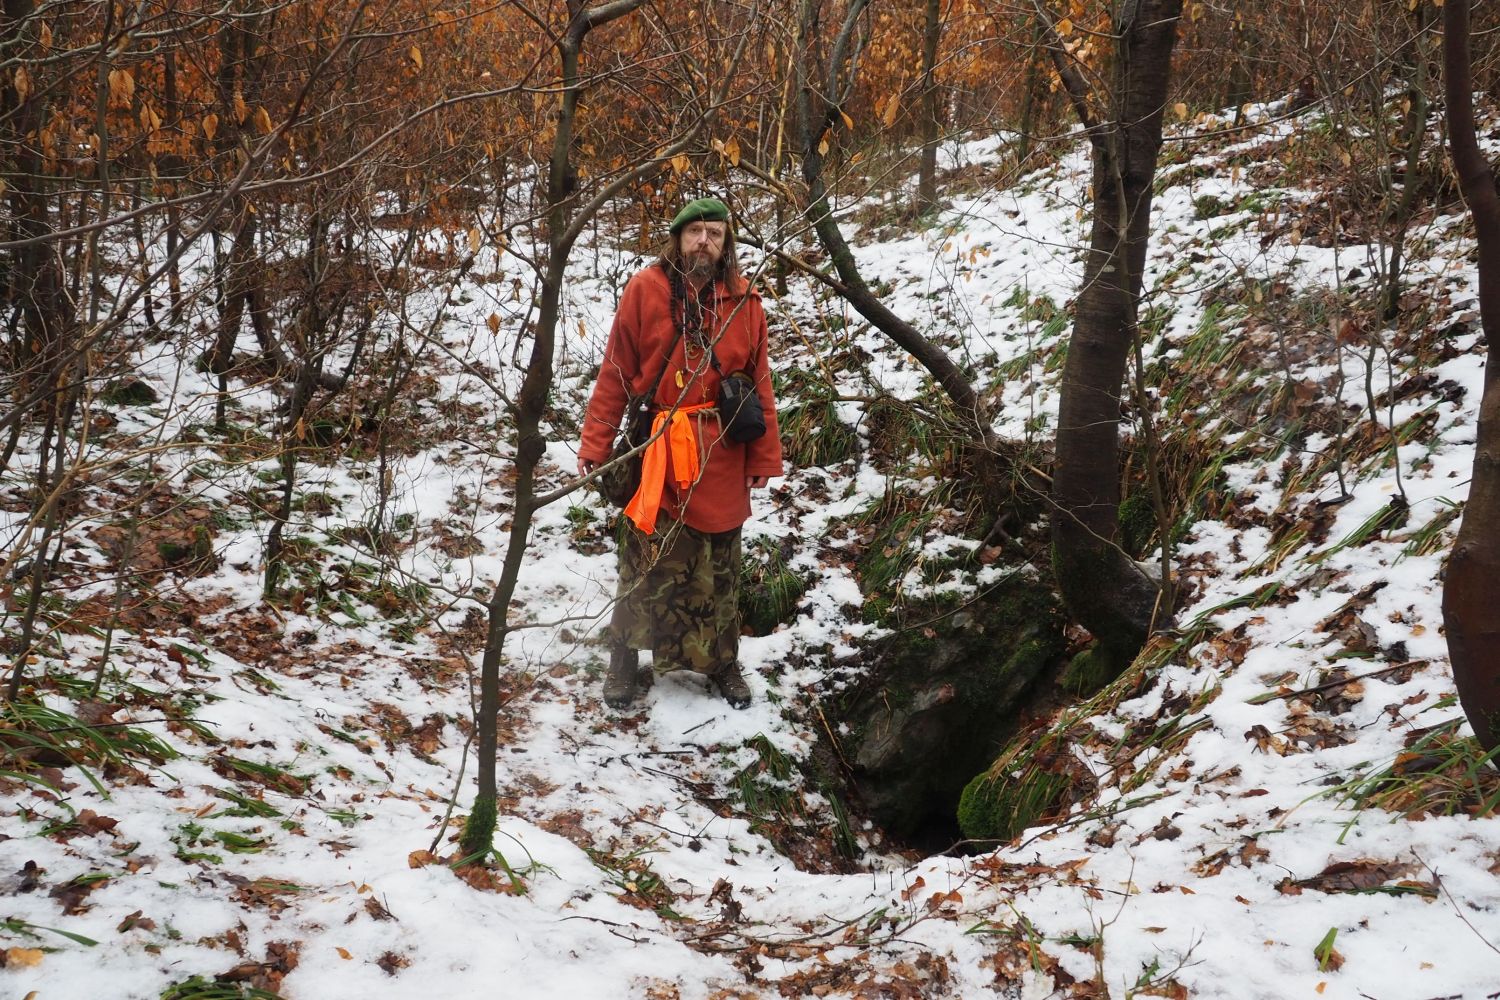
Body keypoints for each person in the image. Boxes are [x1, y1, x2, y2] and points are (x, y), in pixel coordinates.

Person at [577, 197, 783, 711]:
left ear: (727, 241)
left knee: (722, 565)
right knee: (644, 560)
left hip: (723, 450)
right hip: (658, 451)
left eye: (715, 232)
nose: (704, 242)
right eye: (695, 232)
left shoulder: (745, 300)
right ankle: (624, 658)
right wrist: (596, 443)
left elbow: (760, 383)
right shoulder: (645, 290)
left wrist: (762, 458)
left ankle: (721, 661)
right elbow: (617, 372)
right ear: (676, 238)